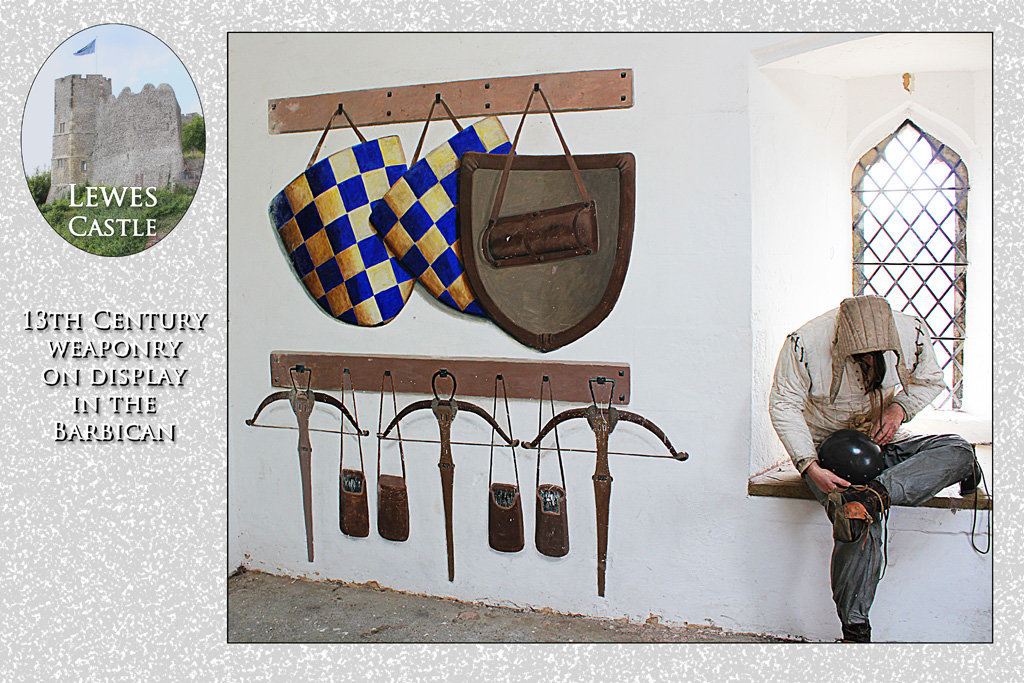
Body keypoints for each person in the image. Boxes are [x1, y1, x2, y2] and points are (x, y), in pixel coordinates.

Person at [768, 295, 977, 642]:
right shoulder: (803, 344)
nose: (868, 361)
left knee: (957, 449)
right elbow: (784, 404)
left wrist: (896, 411)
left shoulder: (912, 333)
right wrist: (809, 466)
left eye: (875, 355)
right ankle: (855, 630)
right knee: (854, 517)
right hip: (828, 454)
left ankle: (875, 495)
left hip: (880, 440)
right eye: (860, 356)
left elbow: (928, 380)